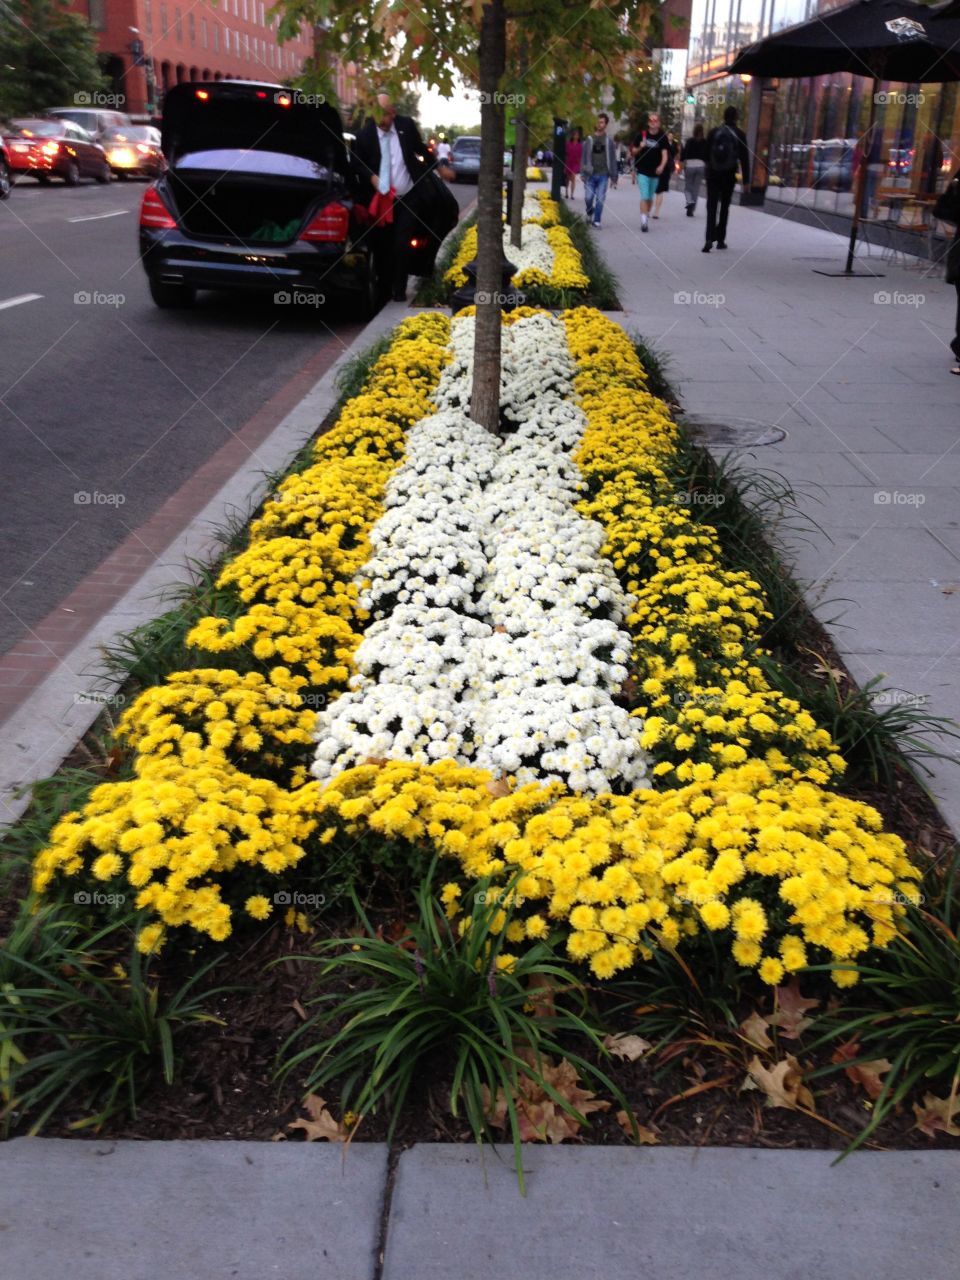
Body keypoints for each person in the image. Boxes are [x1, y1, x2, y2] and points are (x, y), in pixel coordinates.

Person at [352, 93, 433, 301]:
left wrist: (439, 167)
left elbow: (420, 150)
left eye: (386, 116)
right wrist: (372, 178)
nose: (382, 121)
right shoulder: (365, 136)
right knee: (383, 246)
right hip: (381, 200)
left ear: (394, 113)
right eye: (377, 115)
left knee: (402, 244)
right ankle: (384, 287)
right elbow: (356, 164)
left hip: (407, 197)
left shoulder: (406, 127)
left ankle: (399, 290)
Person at [703, 105, 751, 253]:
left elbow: (706, 155)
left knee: (711, 207)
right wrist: (746, 181)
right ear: (736, 117)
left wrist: (707, 173)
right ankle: (721, 240)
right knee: (724, 207)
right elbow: (744, 159)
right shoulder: (740, 134)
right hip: (729, 175)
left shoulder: (713, 132)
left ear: (724, 117)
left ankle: (708, 239)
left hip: (713, 174)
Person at [630, 110, 669, 232]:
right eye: (651, 120)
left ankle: (646, 214)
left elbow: (665, 154)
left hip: (655, 172)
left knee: (650, 198)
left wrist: (662, 166)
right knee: (644, 195)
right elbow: (633, 152)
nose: (653, 122)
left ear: (659, 123)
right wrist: (640, 147)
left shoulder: (662, 137)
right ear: (648, 123)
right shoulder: (641, 135)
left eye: (655, 120)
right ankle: (643, 221)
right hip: (642, 171)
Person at [580, 112, 618, 228]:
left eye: (602, 122)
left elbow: (612, 159)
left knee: (600, 199)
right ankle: (589, 211)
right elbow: (584, 157)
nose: (599, 124)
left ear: (605, 124)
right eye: (598, 122)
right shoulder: (589, 140)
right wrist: (582, 172)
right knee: (588, 198)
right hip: (590, 174)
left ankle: (597, 221)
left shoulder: (609, 141)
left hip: (603, 175)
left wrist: (614, 177)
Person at [680, 124, 708, 216]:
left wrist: (682, 162)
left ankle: (689, 204)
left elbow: (684, 153)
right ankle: (692, 209)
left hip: (690, 166)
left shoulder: (689, 141)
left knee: (688, 187)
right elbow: (708, 156)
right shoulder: (705, 142)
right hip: (700, 166)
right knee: (696, 188)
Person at [653, 129, 676, 218]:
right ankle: (652, 209)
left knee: (659, 190)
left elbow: (673, 156)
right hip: (655, 169)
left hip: (665, 170)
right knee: (654, 190)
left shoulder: (671, 146)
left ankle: (656, 211)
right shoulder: (658, 144)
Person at [564, 127, 583, 199]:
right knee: (568, 179)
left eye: (577, 135)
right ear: (573, 136)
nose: (576, 136)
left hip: (576, 163)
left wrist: (580, 163)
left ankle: (572, 194)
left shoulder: (580, 145)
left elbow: (581, 155)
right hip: (569, 162)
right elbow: (566, 153)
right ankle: (566, 192)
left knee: (573, 177)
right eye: (575, 135)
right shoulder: (568, 144)